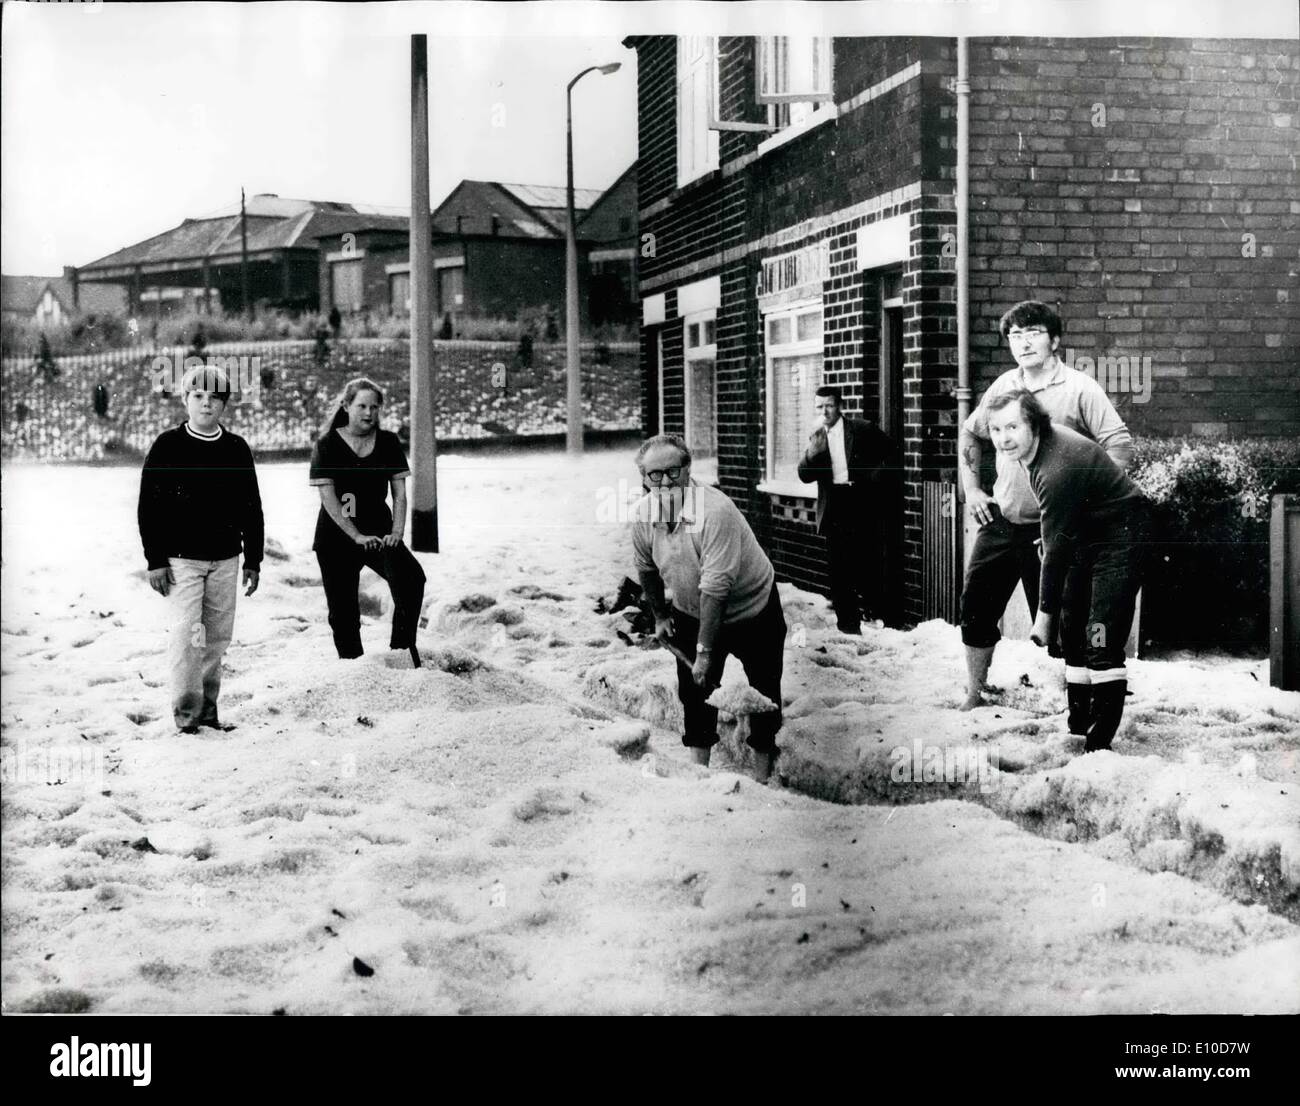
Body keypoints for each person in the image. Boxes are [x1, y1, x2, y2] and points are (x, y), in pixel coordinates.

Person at [957, 300, 1133, 719]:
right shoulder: (1002, 387)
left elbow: (1120, 445)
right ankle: (974, 690)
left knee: (1066, 623)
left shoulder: (1079, 387)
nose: (1023, 342)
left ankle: (1089, 700)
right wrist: (972, 489)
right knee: (976, 606)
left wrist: (1086, 508)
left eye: (1033, 332)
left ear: (1054, 340)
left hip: (1055, 530)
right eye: (1015, 335)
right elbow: (970, 434)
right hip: (1001, 520)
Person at [986, 390, 1149, 752]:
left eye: (1012, 426)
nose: (1003, 438)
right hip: (1086, 534)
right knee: (1074, 632)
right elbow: (1057, 535)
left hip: (1122, 534)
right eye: (995, 429)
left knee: (1100, 635)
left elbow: (1055, 549)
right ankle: (1078, 729)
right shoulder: (1033, 451)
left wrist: (1043, 614)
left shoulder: (1056, 465)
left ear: (1033, 423)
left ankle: (1098, 747)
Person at [631, 434, 787, 783]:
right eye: (655, 475)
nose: (665, 481)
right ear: (644, 479)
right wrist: (659, 615)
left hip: (752, 609)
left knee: (763, 691)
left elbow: (716, 590)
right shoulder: (643, 515)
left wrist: (704, 652)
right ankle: (698, 772)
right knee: (694, 692)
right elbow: (646, 568)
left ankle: (763, 775)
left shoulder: (715, 512)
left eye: (673, 471)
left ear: (688, 471)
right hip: (691, 609)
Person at [138, 365, 263, 733]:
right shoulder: (168, 446)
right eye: (198, 396)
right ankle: (187, 715)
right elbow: (149, 506)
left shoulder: (236, 448)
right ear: (185, 400)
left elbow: (251, 507)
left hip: (225, 558)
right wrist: (155, 560)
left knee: (216, 638)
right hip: (182, 562)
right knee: (187, 636)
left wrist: (252, 559)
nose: (206, 404)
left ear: (224, 405)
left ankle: (209, 711)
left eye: (214, 398)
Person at [309, 378, 426, 665]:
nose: (368, 412)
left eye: (375, 407)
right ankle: (354, 668)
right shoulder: (326, 445)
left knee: (411, 579)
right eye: (361, 405)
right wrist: (355, 535)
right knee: (343, 611)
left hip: (378, 533)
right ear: (347, 406)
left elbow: (399, 493)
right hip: (336, 537)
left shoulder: (387, 442)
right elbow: (330, 500)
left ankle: (401, 652)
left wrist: (397, 531)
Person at [796, 386, 897, 633]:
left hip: (860, 500)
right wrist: (813, 452)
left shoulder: (861, 428)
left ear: (839, 406)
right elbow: (804, 476)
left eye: (829, 405)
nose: (824, 411)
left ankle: (877, 616)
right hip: (834, 505)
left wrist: (873, 478)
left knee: (866, 562)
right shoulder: (817, 436)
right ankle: (848, 626)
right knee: (838, 569)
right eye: (819, 407)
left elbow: (891, 452)